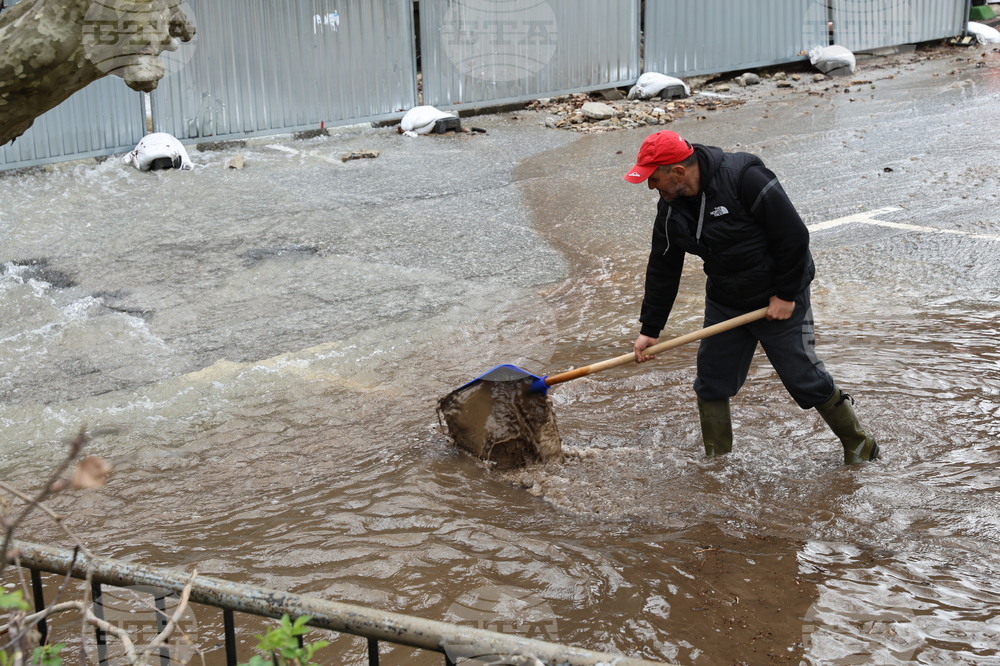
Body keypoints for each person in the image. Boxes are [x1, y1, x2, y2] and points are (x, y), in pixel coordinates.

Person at [624, 130, 879, 464]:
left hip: (779, 296)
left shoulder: (745, 177)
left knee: (804, 378)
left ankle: (861, 445)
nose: (650, 186)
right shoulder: (671, 208)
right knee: (711, 381)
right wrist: (650, 328)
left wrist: (786, 294)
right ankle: (717, 464)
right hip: (726, 302)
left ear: (677, 172)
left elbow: (793, 236)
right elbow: (663, 266)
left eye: (653, 178)